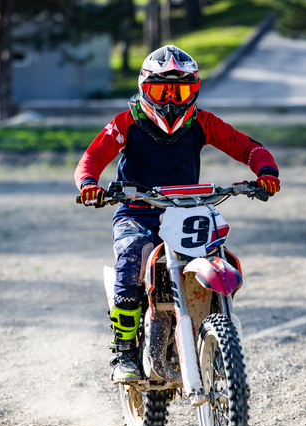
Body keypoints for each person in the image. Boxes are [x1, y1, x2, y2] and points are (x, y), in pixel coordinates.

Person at [75, 45, 280, 383]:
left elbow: (249, 146)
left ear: (194, 91)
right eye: (161, 90)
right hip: (137, 212)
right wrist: (88, 183)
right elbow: (92, 157)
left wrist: (266, 171)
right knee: (132, 257)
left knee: (219, 252)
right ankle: (123, 352)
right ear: (144, 89)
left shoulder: (203, 122)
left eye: (180, 90)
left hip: (187, 212)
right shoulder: (126, 123)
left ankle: (216, 329)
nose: (170, 100)